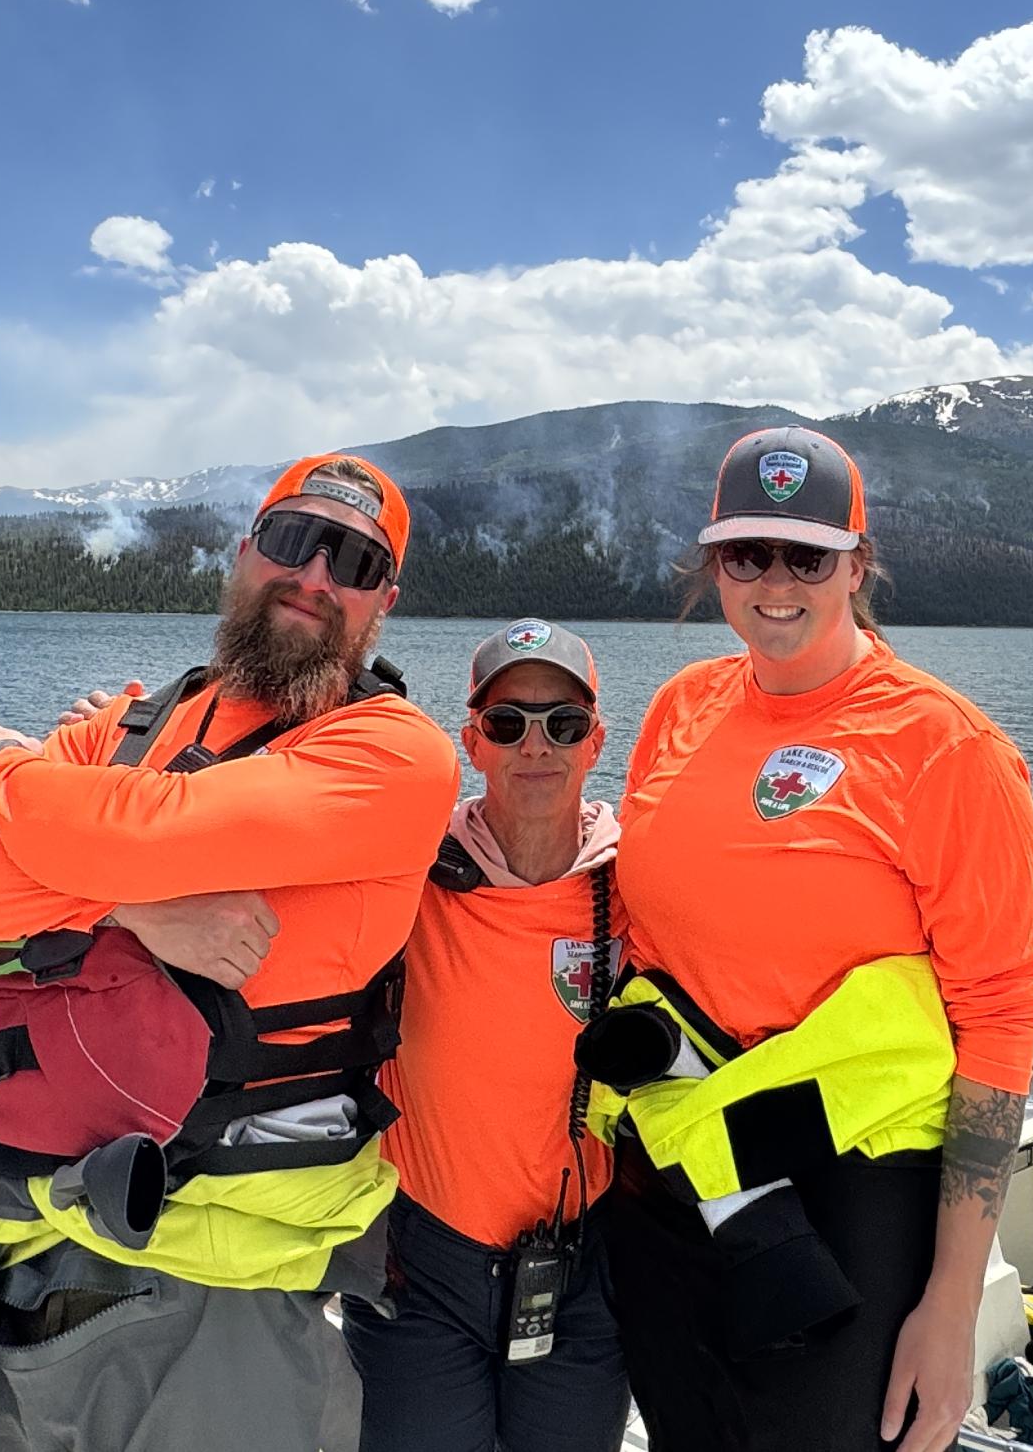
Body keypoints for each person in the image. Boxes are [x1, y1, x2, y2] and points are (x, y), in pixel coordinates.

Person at [0, 452, 460, 1452]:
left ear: (381, 602)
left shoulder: (390, 756)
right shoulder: (131, 725)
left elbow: (150, 828)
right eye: (291, 541)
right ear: (241, 554)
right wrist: (133, 911)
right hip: (21, 1238)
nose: (313, 577)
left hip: (225, 1287)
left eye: (352, 561)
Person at [585, 425, 1033, 1452]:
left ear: (856, 564)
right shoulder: (682, 707)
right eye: (747, 554)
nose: (776, 583)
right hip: (671, 1161)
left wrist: (947, 1306)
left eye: (807, 556)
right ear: (714, 566)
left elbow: (999, 1019)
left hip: (846, 1179)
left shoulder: (947, 748)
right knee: (683, 1429)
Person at [340, 617, 633, 1452]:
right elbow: (264, 826)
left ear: (595, 741)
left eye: (562, 724)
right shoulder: (411, 867)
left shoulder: (639, 879)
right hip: (419, 1265)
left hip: (578, 1269)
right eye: (507, 723)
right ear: (471, 742)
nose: (535, 745)